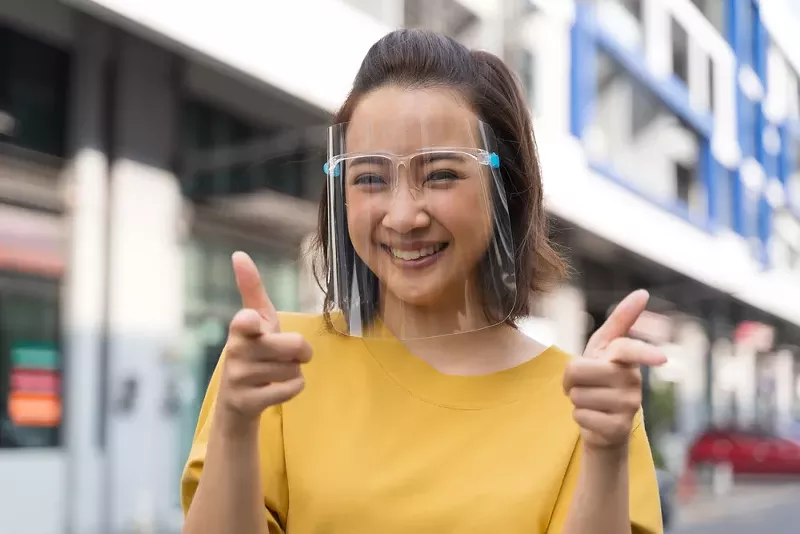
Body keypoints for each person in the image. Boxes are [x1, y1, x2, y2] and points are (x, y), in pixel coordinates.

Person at [181, 29, 666, 534]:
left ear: (507, 190)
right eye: (369, 178)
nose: (404, 215)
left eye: (440, 175)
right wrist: (236, 425)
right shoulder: (273, 368)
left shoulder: (588, 402)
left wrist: (605, 454)